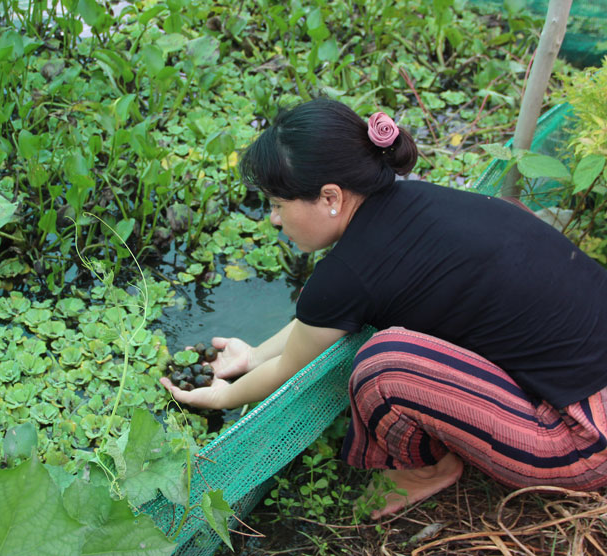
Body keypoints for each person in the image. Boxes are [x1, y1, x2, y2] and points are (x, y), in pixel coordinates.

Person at [160, 98, 607, 518]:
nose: (274, 219)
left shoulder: (348, 273)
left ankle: (428, 469)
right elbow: (315, 324)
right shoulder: (422, 202)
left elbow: (290, 368)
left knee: (384, 365)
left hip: (585, 443)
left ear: (331, 198)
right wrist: (252, 356)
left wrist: (223, 395)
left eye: (278, 205)